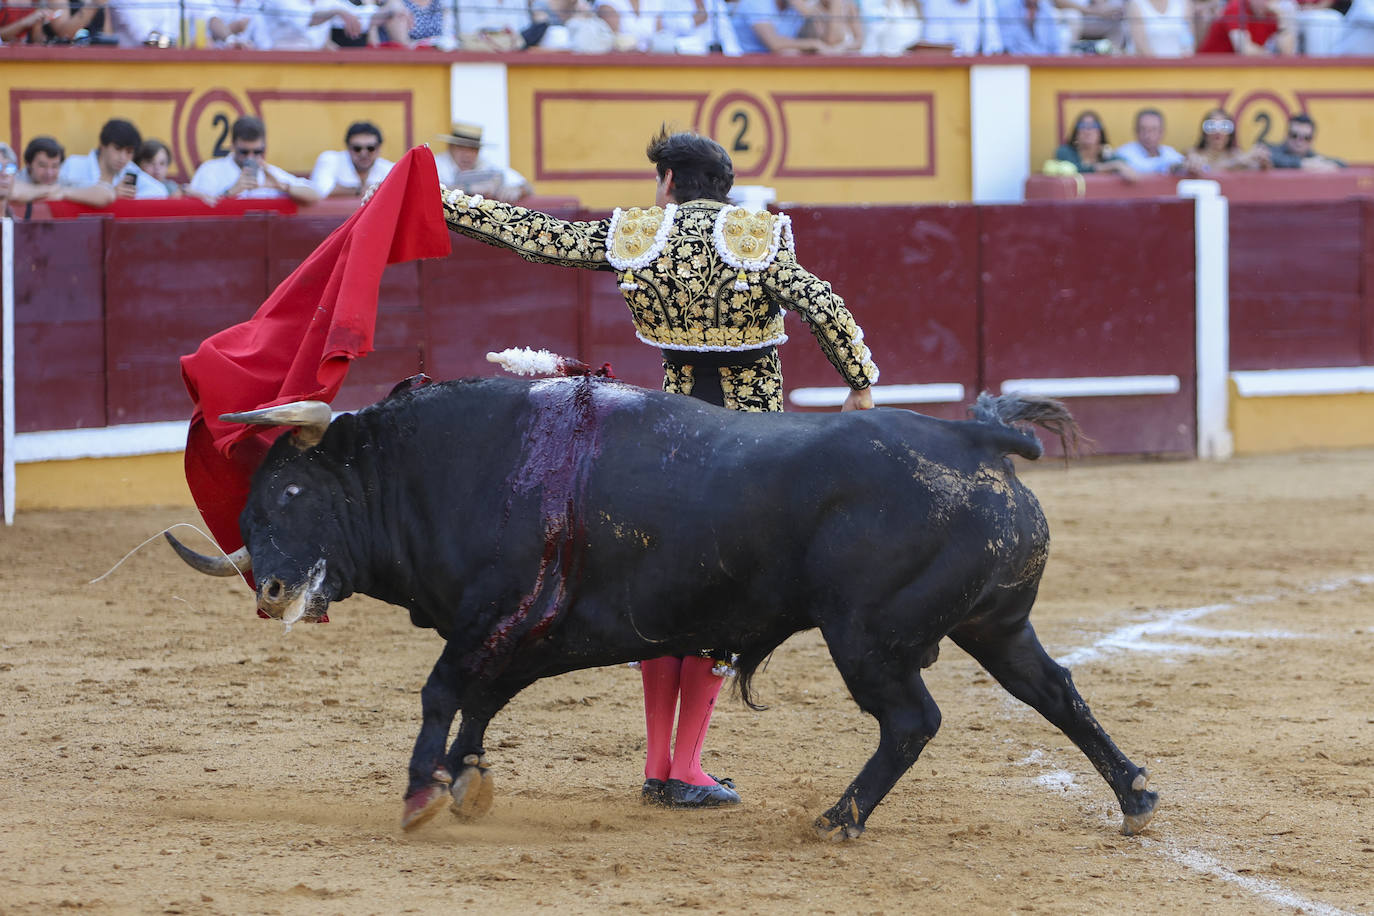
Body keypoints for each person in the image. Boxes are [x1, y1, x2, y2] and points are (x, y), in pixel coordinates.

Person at [404, 126, 878, 808]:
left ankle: (661, 764)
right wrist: (858, 383)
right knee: (725, 605)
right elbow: (823, 305)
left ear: (667, 183)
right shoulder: (758, 237)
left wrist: (443, 202)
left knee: (661, 599)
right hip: (750, 453)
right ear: (725, 185)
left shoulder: (641, 235)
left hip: (669, 453)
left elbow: (535, 235)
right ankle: (686, 766)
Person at [188, 116, 321, 204]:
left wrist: (281, 186)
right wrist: (230, 193)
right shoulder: (211, 170)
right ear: (232, 146)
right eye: (244, 152)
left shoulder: (270, 174)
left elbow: (315, 196)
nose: (250, 157)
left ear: (264, 147)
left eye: (257, 152)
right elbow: (196, 210)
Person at [58, 117, 168, 200]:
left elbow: (160, 192)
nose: (123, 157)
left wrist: (130, 198)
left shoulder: (131, 171)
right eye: (118, 149)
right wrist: (112, 193)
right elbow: (54, 193)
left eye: (129, 152)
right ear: (102, 145)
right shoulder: (74, 165)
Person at [430, 121, 532, 203]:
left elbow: (527, 186)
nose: (467, 154)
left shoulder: (485, 164)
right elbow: (428, 191)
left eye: (473, 149)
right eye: (461, 148)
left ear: (478, 150)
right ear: (450, 147)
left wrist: (516, 190)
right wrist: (472, 188)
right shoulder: (435, 165)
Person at [310, 121, 396, 198]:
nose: (363, 153)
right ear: (348, 148)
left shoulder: (389, 168)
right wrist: (362, 190)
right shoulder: (330, 160)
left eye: (370, 148)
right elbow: (321, 191)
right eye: (357, 148)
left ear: (379, 149)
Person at [732, 0, 856, 51]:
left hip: (775, 73)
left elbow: (832, 40)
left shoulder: (797, 7)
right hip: (743, 70)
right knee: (790, 52)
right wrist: (812, 44)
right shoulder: (756, 2)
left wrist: (836, 3)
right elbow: (775, 44)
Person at [1052, 110, 1138, 179]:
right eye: (1082, 126)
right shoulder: (1065, 152)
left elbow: (1122, 164)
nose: (1088, 131)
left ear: (1100, 133)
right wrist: (1111, 166)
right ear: (1076, 133)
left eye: (1094, 126)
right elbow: (1075, 170)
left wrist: (1116, 164)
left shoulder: (1106, 154)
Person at [1183, 106, 1269, 173]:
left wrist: (1263, 163)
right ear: (1204, 133)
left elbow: (1260, 171)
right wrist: (1238, 163)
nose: (1218, 131)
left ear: (1231, 133)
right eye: (1211, 126)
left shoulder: (1236, 154)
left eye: (1224, 126)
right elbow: (1209, 169)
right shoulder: (1193, 154)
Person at [1196, 0, 1296, 51]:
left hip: (1239, 71)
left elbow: (1288, 52)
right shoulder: (1236, 7)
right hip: (1211, 68)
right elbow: (1245, 50)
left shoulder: (1272, 14)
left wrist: (1283, 20)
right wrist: (1268, 57)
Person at [1113, 108, 1185, 174]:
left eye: (1153, 130)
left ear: (1162, 132)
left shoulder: (1170, 152)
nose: (1148, 135)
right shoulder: (1124, 153)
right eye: (1143, 129)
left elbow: (1182, 165)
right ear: (1136, 131)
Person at [1265, 113, 1345, 170]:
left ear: (1312, 140)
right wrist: (1303, 164)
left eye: (1306, 138)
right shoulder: (1273, 152)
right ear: (1286, 135)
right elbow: (1268, 157)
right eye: (1294, 135)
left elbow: (1341, 164)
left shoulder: (1312, 158)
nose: (1299, 142)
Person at [921, 0, 1004, 53]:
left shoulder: (985, 3)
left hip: (980, 70)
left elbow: (993, 43)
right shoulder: (935, 3)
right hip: (948, 69)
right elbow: (937, 45)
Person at [1124, 0, 1194, 54]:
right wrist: (1161, 68)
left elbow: (1189, 41)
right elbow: (1141, 47)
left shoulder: (1183, 3)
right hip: (1149, 69)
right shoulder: (1136, 4)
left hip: (1180, 69)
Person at [997, 0, 1063, 52]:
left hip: (1045, 65)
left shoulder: (1047, 10)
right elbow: (1007, 46)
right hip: (1017, 64)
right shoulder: (1007, 8)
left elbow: (1055, 46)